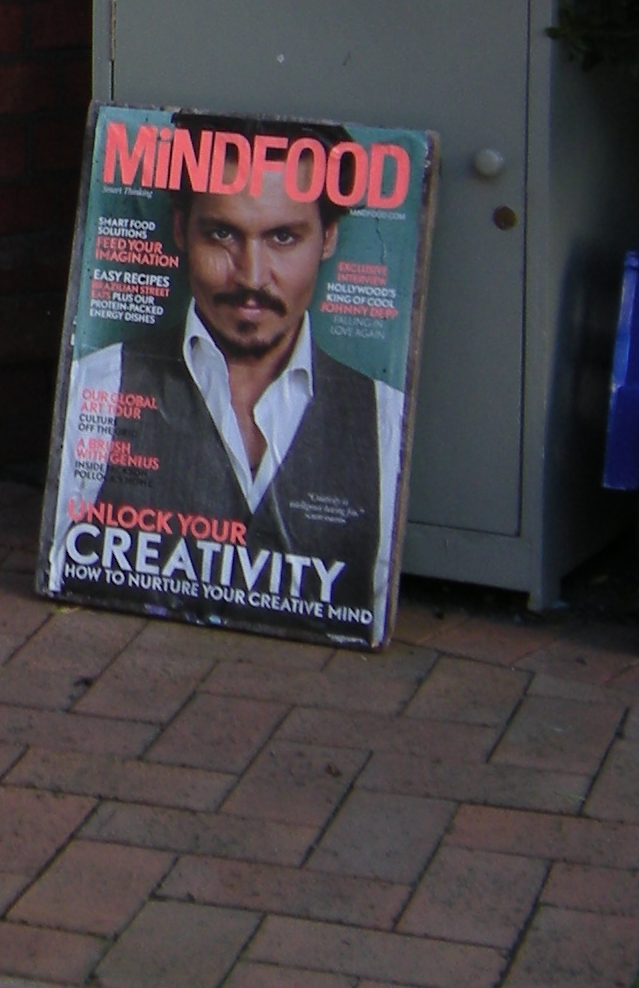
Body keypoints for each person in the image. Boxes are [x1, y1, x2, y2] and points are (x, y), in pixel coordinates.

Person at [59, 123, 403, 629]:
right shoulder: (99, 386)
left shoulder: (385, 416)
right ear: (180, 231)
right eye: (222, 234)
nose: (250, 277)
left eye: (283, 237)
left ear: (328, 238)